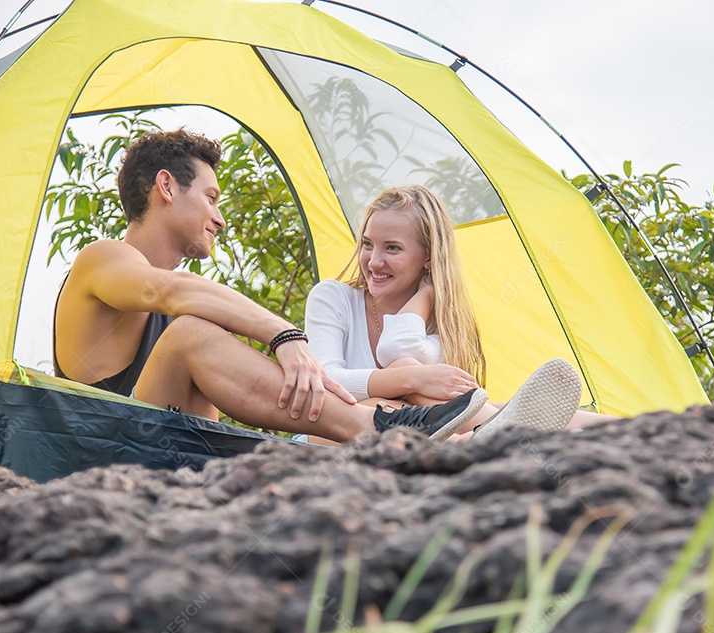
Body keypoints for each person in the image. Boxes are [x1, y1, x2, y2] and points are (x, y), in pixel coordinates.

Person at [53, 130, 486, 442]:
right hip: (103, 450)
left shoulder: (183, 305)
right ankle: (374, 430)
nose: (220, 218)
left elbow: (213, 412)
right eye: (211, 197)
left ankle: (472, 425)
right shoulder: (103, 257)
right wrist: (286, 336)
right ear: (166, 186)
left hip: (176, 461)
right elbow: (168, 290)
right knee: (192, 333)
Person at [305, 185, 608, 442]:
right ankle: (489, 432)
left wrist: (425, 297)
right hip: (327, 440)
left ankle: (612, 428)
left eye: (392, 249)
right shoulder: (333, 298)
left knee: (415, 406)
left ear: (428, 257)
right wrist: (415, 378)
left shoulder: (442, 326)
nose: (373, 262)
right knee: (381, 406)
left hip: (409, 449)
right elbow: (326, 382)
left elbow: (399, 352)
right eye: (368, 245)